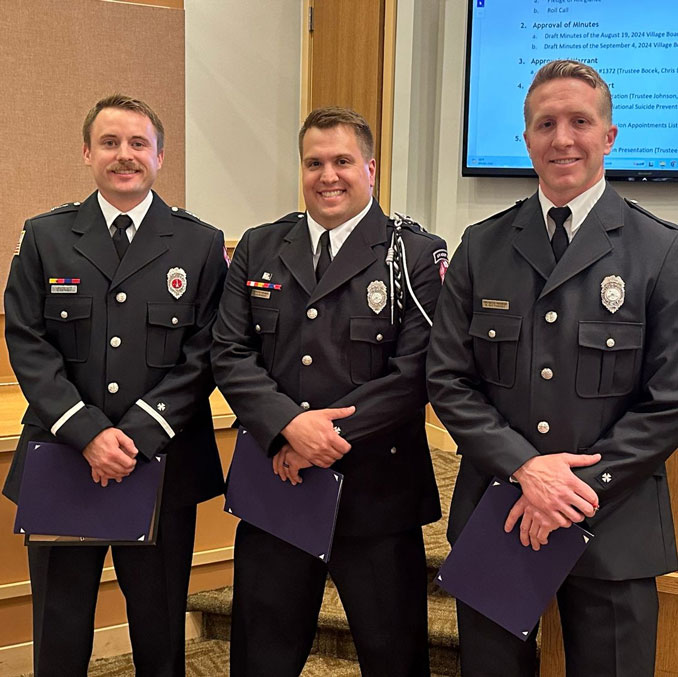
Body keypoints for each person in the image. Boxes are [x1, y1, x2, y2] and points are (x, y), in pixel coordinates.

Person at [427, 59, 678, 676]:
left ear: (609, 137)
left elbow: (669, 399)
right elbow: (449, 379)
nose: (562, 138)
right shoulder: (481, 246)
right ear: (527, 138)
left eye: (579, 122)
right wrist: (524, 469)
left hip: (613, 522)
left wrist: (573, 492)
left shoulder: (661, 250)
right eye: (546, 123)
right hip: (502, 508)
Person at [211, 106, 446, 676]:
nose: (328, 175)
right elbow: (229, 352)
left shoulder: (414, 254)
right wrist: (288, 427)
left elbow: (417, 370)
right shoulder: (260, 247)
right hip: (278, 485)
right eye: (314, 162)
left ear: (370, 167)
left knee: (394, 656)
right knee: (262, 654)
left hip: (377, 495)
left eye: (342, 160)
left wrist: (322, 435)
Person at [3, 94, 227, 676]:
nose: (123, 156)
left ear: (159, 155)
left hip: (162, 462)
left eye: (137, 144)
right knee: (60, 627)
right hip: (63, 458)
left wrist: (134, 434)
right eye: (109, 143)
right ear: (86, 153)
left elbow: (207, 350)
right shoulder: (45, 237)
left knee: (159, 628)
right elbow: (27, 343)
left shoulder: (199, 244)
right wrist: (87, 433)